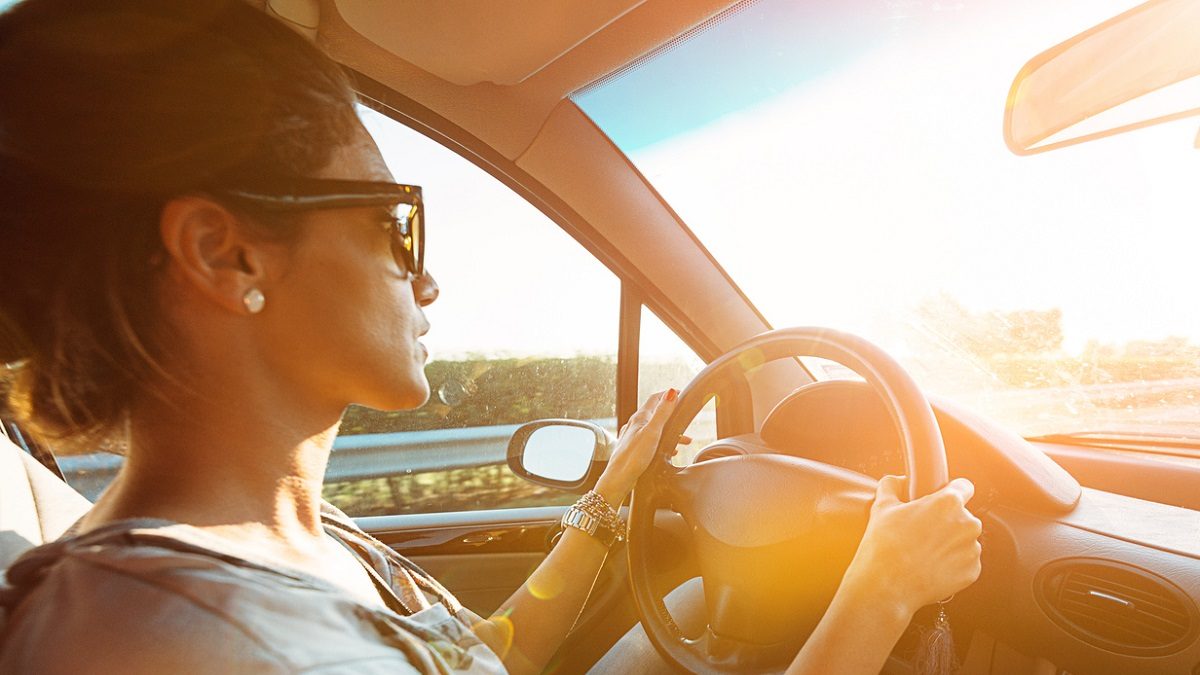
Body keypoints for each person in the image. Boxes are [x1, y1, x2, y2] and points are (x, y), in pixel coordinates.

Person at [0, 1, 983, 673]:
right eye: (396, 224)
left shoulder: (284, 548)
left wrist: (607, 503)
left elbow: (483, 652)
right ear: (227, 255)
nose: (427, 277)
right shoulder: (172, 645)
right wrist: (880, 593)